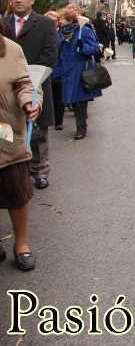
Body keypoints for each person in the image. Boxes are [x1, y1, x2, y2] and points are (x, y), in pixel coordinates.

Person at [2, 0, 57, 190]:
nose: (18, 0)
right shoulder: (4, 24)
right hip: (7, 89)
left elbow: (50, 54)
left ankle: (40, 171)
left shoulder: (44, 24)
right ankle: (13, 169)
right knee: (7, 130)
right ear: (10, 0)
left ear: (31, 0)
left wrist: (31, 78)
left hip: (37, 84)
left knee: (38, 131)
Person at [0, 22, 41, 271]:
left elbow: (24, 83)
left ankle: (21, 244)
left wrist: (29, 103)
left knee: (17, 190)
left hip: (5, 131)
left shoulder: (10, 49)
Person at [52, 7, 102, 140]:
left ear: (69, 19)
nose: (60, 21)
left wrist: (83, 47)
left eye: (62, 19)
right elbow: (59, 55)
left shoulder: (83, 31)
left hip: (81, 70)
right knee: (72, 101)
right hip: (67, 71)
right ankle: (80, 124)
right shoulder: (60, 33)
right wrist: (56, 72)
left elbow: (95, 49)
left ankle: (81, 127)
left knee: (80, 101)